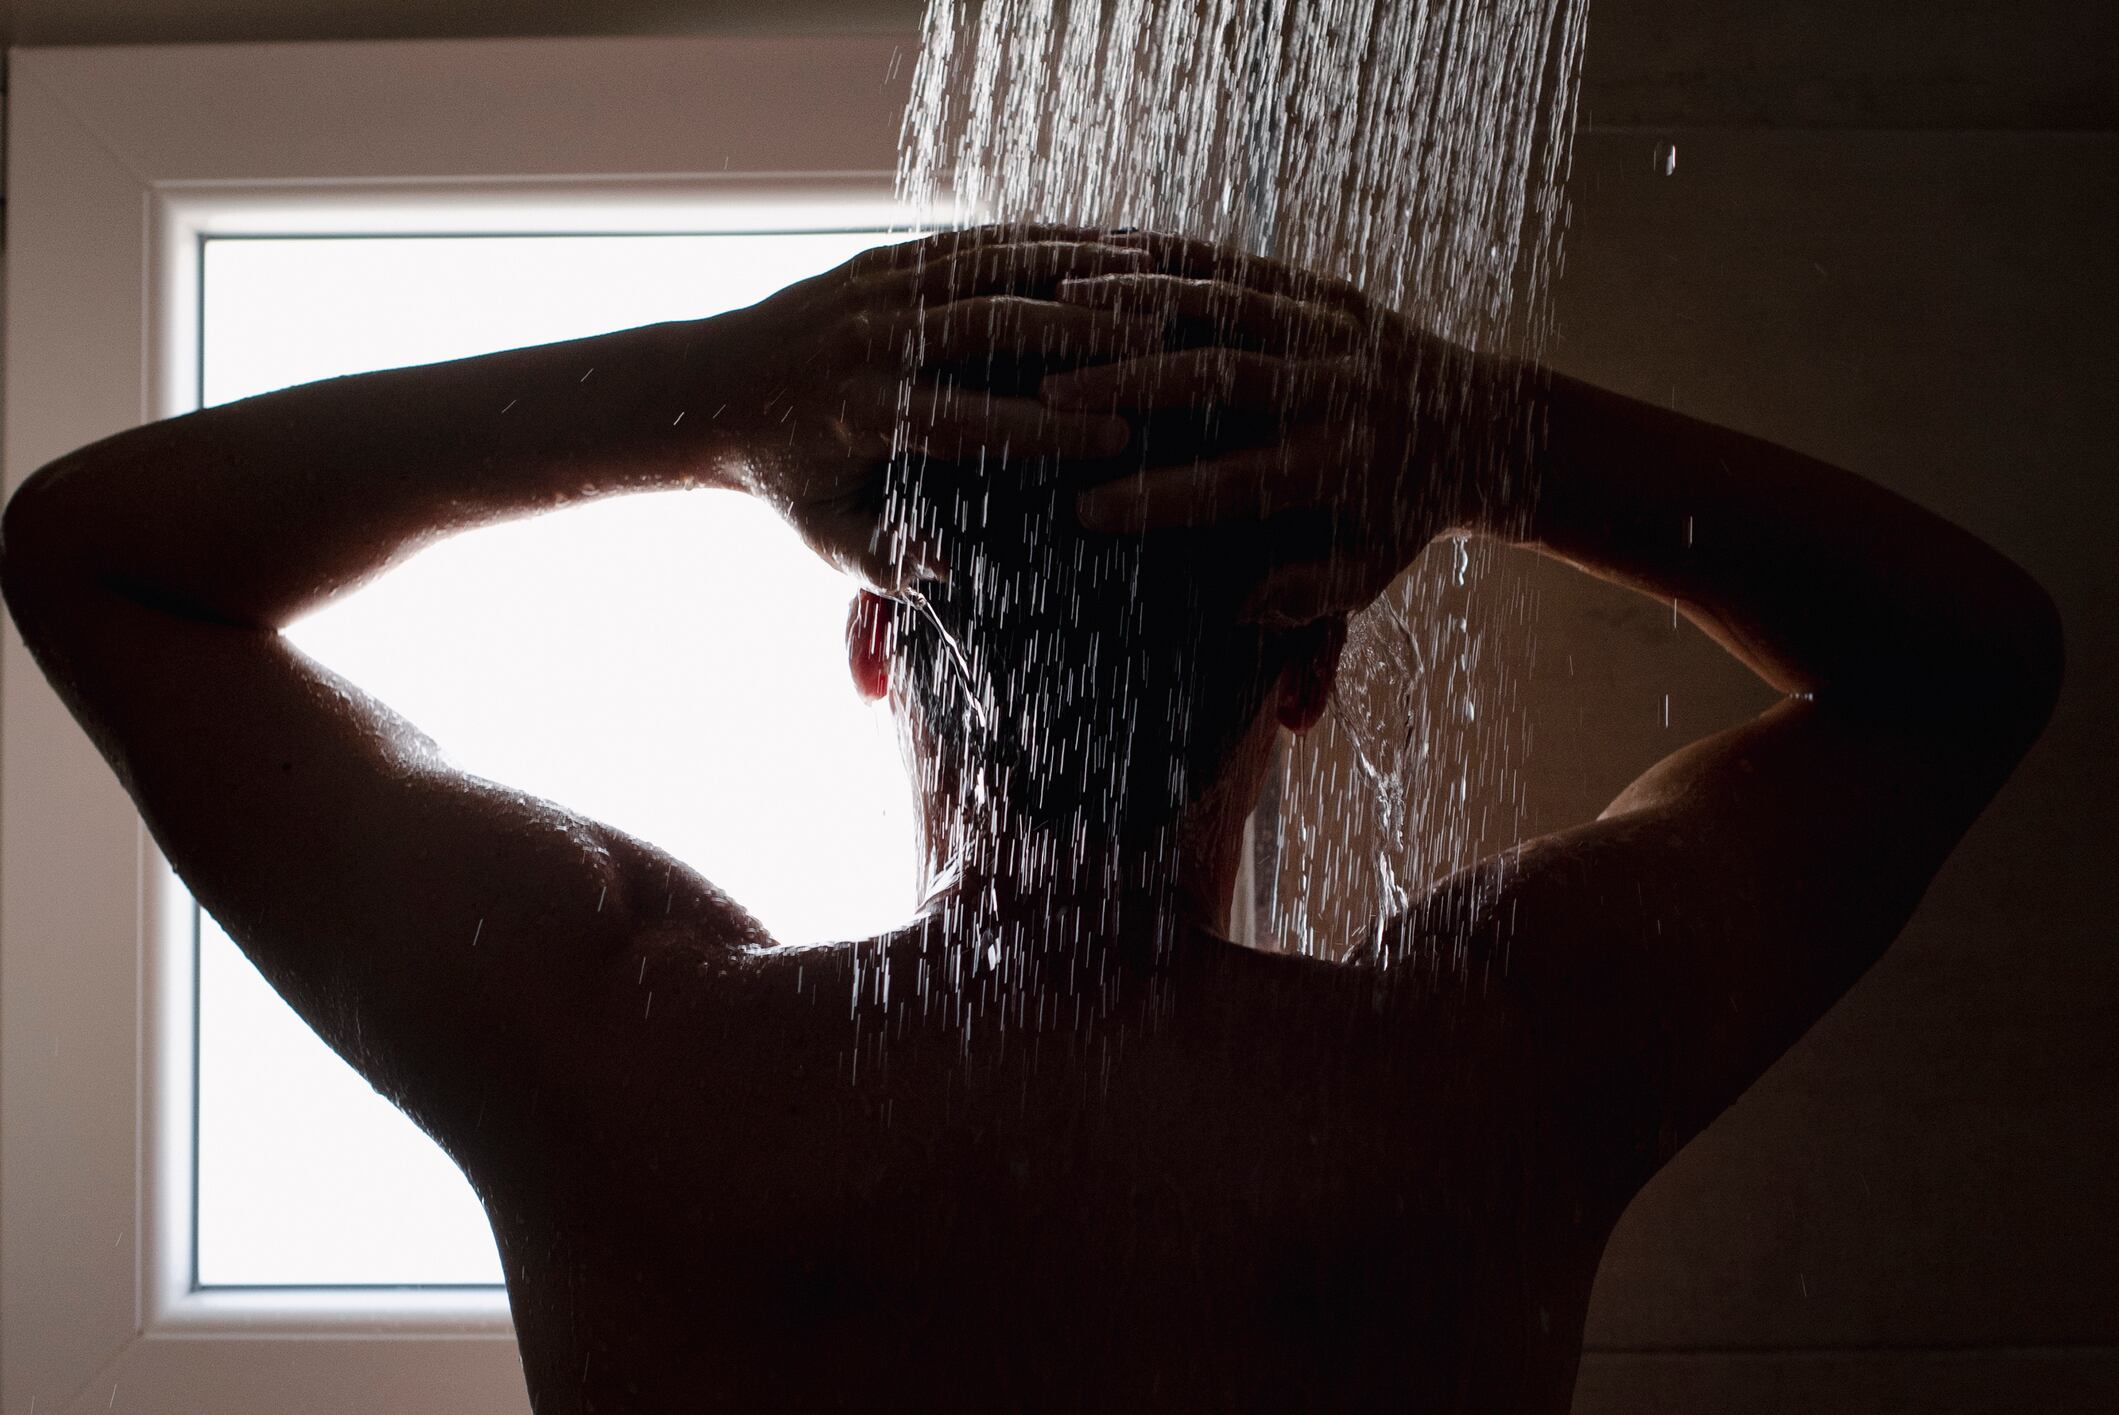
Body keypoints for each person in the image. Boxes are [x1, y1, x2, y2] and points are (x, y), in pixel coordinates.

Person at [0, 224, 2060, 1413]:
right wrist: (1479, 434)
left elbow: (100, 557)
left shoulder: (620, 1051)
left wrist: (710, 390)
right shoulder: (1493, 1072)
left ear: (877, 648)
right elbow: (1964, 661)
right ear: (1309, 667)